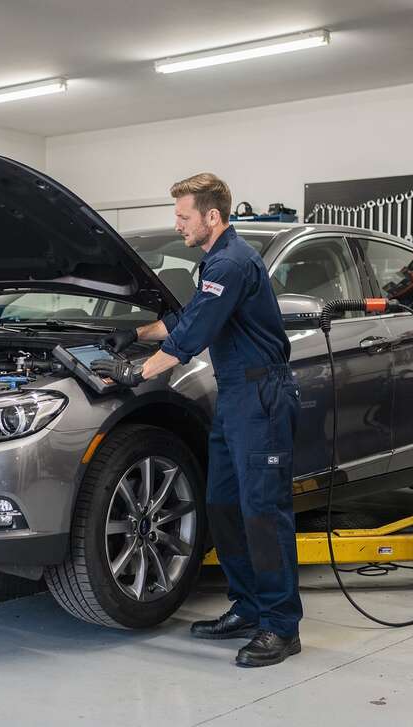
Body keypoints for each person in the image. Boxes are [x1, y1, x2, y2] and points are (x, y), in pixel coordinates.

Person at [91, 172, 302, 668]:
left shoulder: (232, 261)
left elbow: (191, 337)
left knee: (262, 513)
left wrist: (136, 372)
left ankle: (280, 625)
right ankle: (248, 608)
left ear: (212, 216)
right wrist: (133, 333)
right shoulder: (216, 261)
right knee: (223, 505)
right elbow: (188, 317)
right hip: (234, 396)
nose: (178, 224)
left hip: (261, 396)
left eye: (184, 216)